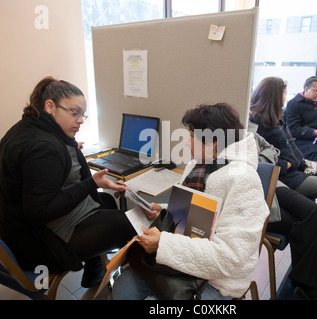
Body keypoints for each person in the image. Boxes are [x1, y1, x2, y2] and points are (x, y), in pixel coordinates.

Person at [113, 103, 269, 300]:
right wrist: (162, 211)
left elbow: (231, 257)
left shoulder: (243, 180)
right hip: (179, 258)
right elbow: (197, 216)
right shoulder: (198, 166)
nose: (187, 142)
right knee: (121, 290)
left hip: (216, 279)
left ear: (214, 142)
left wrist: (163, 244)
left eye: (192, 136)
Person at [0, 76, 137, 287]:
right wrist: (91, 183)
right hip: (37, 242)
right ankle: (138, 281)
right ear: (50, 106)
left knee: (106, 202)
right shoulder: (44, 147)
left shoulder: (25, 129)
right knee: (126, 223)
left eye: (83, 114)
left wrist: (72, 149)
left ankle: (94, 271)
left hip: (15, 230)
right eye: (74, 112)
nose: (80, 120)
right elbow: (39, 212)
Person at [249, 77, 317, 259]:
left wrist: (297, 160)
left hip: (300, 166)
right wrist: (288, 163)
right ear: (276, 96)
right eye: (284, 93)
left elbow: (289, 147)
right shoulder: (260, 123)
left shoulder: (277, 116)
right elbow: (261, 161)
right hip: (289, 176)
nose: (286, 96)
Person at [251, 132, 317, 300]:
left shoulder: (256, 125)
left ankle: (306, 286)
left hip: (279, 179)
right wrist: (264, 162)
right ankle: (307, 288)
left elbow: (273, 150)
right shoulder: (246, 126)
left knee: (315, 214)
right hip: (271, 183)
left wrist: (263, 159)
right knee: (309, 220)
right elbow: (254, 164)